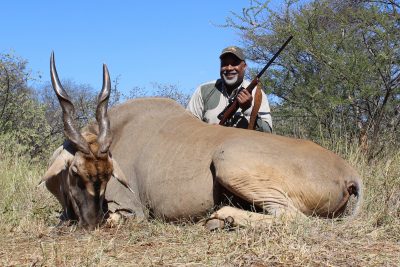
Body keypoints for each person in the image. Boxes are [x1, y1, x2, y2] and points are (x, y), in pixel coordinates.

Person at [186, 46, 272, 132]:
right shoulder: (203, 90)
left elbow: (268, 132)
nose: (229, 68)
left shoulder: (257, 93)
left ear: (244, 66)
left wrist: (249, 110)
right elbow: (188, 127)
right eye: (224, 64)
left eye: (235, 63)